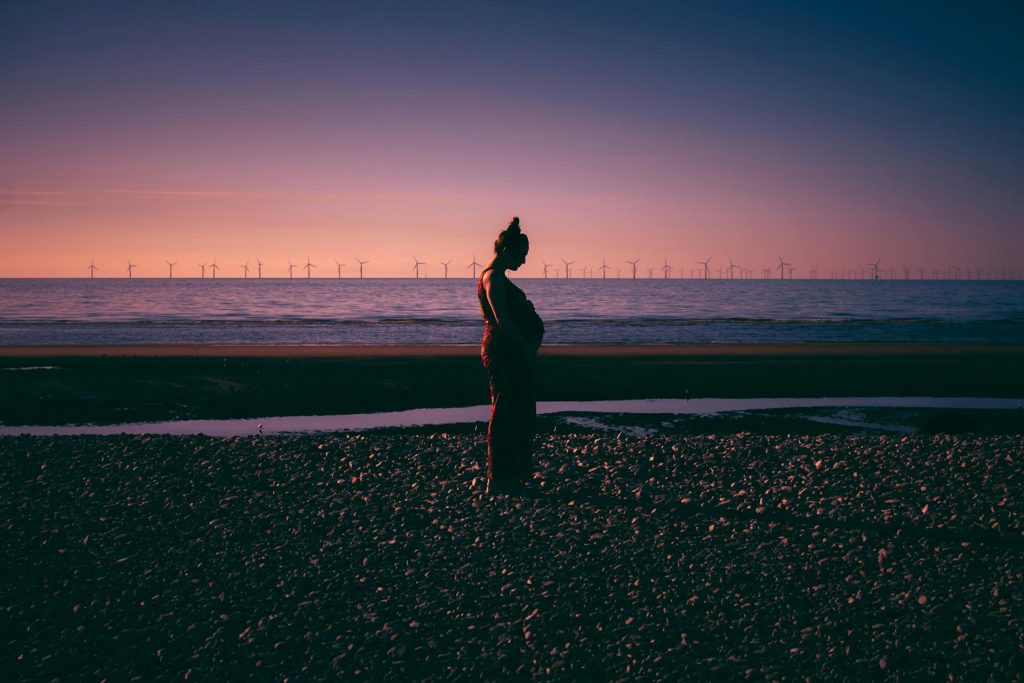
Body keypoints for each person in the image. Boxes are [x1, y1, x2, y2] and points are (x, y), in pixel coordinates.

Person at [477, 216, 545, 495]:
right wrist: (525, 346)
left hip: (512, 350)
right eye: (522, 254)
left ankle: (514, 475)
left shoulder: (499, 277)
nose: (524, 261)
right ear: (507, 251)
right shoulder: (492, 277)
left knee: (519, 409)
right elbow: (501, 318)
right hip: (505, 351)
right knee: (505, 410)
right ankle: (498, 478)